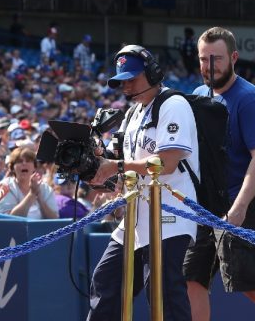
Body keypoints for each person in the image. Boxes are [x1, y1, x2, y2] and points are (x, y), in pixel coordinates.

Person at [86, 45, 198, 321]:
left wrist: (118, 166)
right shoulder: (132, 113)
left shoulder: (174, 104)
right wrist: (97, 169)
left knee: (163, 294)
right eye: (122, 80)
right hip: (136, 216)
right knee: (107, 281)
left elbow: (167, 162)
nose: (126, 86)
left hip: (170, 213)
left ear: (153, 73)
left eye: (132, 78)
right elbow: (118, 161)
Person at [184, 27, 255, 320]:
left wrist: (241, 206)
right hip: (208, 204)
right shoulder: (197, 95)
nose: (210, 66)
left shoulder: (249, 99)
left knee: (249, 284)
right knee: (191, 276)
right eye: (203, 58)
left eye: (217, 58)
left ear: (233, 57)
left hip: (247, 200)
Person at [0, 147, 58, 219]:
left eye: (28, 161)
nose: (24, 163)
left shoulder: (45, 188)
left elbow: (54, 219)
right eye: (19, 161)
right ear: (12, 168)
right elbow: (8, 220)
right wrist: (32, 194)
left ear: (34, 167)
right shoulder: (5, 187)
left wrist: (39, 198)